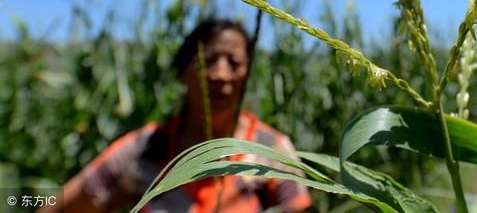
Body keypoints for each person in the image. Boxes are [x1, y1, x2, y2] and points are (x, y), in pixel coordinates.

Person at [41, 18, 311, 212]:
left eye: (235, 63)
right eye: (207, 61)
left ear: (248, 73)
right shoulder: (144, 150)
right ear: (183, 73)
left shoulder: (272, 151)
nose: (220, 75)